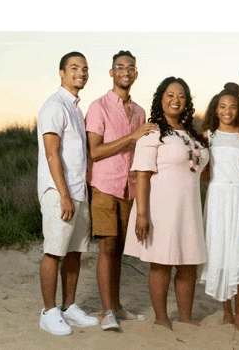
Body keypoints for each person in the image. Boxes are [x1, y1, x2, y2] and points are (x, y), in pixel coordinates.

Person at [123, 77, 209, 330]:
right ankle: (161, 318)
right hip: (160, 207)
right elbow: (142, 175)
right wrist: (141, 215)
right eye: (170, 95)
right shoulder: (152, 133)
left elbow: (201, 170)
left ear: (187, 101)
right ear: (160, 99)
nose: (176, 100)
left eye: (181, 96)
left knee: (188, 262)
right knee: (161, 262)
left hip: (189, 207)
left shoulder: (192, 134)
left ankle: (185, 316)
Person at [85, 50, 156, 330]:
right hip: (104, 187)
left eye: (131, 67)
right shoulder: (98, 107)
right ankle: (106, 312)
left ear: (136, 74)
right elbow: (95, 151)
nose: (125, 71)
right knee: (107, 247)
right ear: (112, 72)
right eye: (120, 67)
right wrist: (132, 136)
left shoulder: (139, 111)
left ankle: (116, 306)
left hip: (130, 189)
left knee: (119, 253)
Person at [37, 51, 99, 335]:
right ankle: (49, 312)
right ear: (61, 73)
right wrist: (63, 194)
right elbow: (52, 155)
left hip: (78, 192)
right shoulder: (54, 105)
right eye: (74, 68)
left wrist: (78, 193)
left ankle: (69, 307)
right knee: (54, 252)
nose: (81, 73)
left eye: (85, 68)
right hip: (58, 192)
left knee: (74, 252)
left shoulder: (75, 107)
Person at [199, 83, 239, 331]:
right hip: (217, 198)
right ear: (215, 110)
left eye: (233, 107)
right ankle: (226, 311)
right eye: (223, 106)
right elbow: (202, 171)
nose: (228, 111)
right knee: (220, 253)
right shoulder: (207, 136)